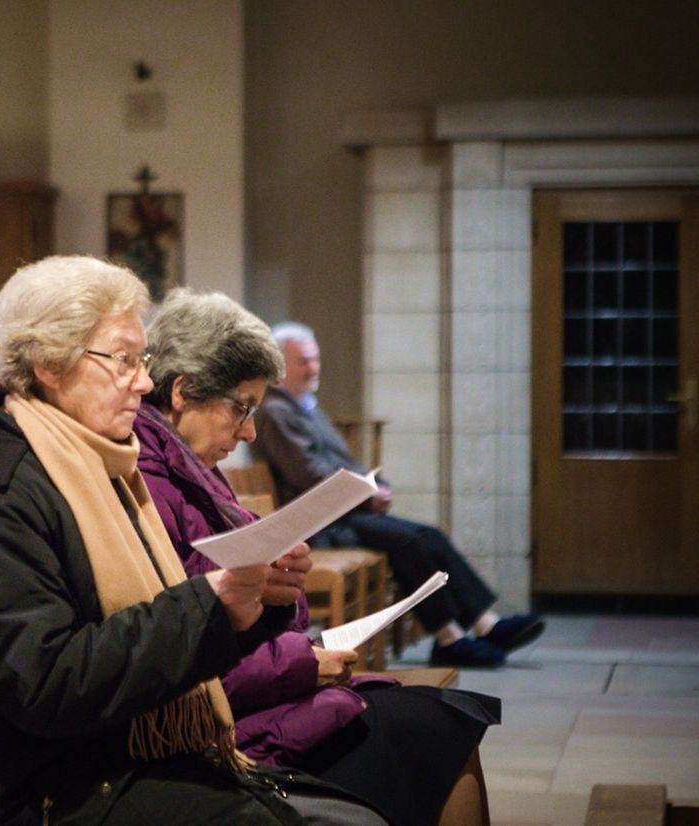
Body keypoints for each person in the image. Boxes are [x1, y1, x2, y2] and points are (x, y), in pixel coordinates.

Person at [0, 256, 391, 826]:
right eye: (122, 360)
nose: (144, 380)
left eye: (141, 360)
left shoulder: (93, 463)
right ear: (47, 362)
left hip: (128, 753)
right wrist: (209, 606)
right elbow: (46, 683)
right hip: (60, 791)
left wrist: (253, 605)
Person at [135, 288, 500, 826]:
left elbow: (228, 602)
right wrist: (304, 661)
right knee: (439, 731)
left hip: (260, 695)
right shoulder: (144, 483)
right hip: (220, 730)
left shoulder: (195, 471)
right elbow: (173, 648)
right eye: (241, 408)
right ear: (184, 391)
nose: (249, 432)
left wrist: (279, 587)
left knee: (446, 722)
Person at [253, 322, 544, 669]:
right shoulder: (276, 411)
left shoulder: (304, 406)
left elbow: (344, 463)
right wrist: (367, 495)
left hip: (344, 512)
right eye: (303, 361)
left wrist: (376, 486)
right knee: (407, 541)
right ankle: (449, 637)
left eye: (315, 359)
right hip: (317, 524)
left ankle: (485, 624)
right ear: (281, 365)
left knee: (427, 536)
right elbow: (309, 474)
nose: (313, 368)